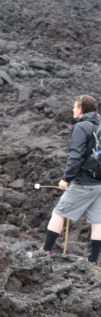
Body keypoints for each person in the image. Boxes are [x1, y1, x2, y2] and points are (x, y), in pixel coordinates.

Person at [39, 95, 101, 265]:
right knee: (98, 220)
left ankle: (45, 252)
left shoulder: (81, 127)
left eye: (75, 107)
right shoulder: (99, 125)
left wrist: (66, 179)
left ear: (81, 109)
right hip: (99, 184)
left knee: (58, 212)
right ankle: (94, 260)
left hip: (84, 183)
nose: (73, 110)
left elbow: (75, 156)